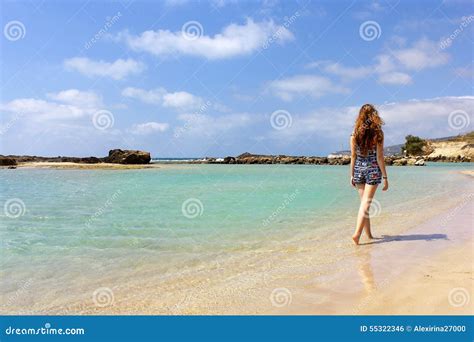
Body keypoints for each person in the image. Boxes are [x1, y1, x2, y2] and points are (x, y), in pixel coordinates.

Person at [350, 104, 388, 245]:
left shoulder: (354, 134)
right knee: (366, 204)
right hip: (372, 170)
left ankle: (369, 235)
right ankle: (357, 234)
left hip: (359, 170)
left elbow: (353, 156)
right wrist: (385, 177)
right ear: (374, 115)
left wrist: (351, 175)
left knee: (364, 204)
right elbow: (379, 157)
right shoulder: (378, 134)